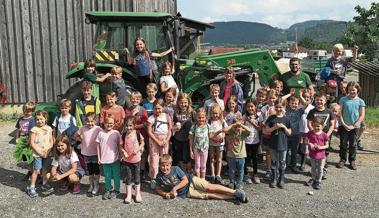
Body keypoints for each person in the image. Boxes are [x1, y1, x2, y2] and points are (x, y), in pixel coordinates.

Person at [155, 154, 248, 203]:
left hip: (192, 181)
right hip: (187, 193)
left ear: (170, 164)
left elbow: (185, 180)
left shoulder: (175, 168)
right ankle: (234, 197)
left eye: (167, 165)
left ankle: (235, 192)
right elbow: (158, 189)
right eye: (162, 166)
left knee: (209, 187)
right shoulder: (159, 176)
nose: (165, 168)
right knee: (209, 195)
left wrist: (174, 188)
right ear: (159, 166)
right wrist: (165, 194)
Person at [337, 81, 365, 170]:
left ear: (357, 90)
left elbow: (362, 115)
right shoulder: (343, 99)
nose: (352, 92)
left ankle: (352, 160)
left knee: (353, 144)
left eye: (353, 90)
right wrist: (344, 124)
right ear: (347, 90)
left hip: (355, 127)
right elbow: (339, 113)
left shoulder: (361, 101)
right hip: (343, 126)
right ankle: (342, 159)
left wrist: (354, 125)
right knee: (343, 143)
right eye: (350, 90)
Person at [264, 99, 292, 189]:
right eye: (277, 107)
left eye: (281, 107)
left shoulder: (287, 119)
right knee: (273, 161)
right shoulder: (271, 118)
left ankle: (281, 179)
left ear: (284, 107)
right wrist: (274, 127)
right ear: (274, 107)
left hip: (283, 144)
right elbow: (266, 130)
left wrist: (284, 127)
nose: (279, 109)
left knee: (282, 162)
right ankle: (274, 178)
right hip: (273, 144)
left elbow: (289, 133)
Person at [307, 93, 335, 179]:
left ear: (325, 101)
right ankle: (315, 170)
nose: (319, 102)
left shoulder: (329, 111)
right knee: (314, 152)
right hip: (314, 137)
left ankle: (322, 169)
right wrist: (314, 133)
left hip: (325, 136)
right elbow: (309, 124)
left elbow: (332, 125)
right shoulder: (312, 111)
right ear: (314, 101)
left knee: (324, 152)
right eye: (317, 100)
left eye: (321, 100)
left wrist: (326, 135)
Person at [27, 110, 54, 197]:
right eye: (37, 119)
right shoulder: (34, 130)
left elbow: (51, 141)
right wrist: (39, 151)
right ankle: (31, 187)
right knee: (37, 171)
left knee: (45, 169)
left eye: (41, 119)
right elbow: (32, 142)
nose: (39, 121)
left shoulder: (49, 128)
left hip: (47, 153)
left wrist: (48, 151)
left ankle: (44, 183)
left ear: (46, 119)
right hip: (37, 154)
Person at [147, 99, 172, 189]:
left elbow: (170, 129)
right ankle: (154, 178)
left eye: (159, 108)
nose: (157, 110)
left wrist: (166, 140)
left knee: (164, 159)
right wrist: (157, 141)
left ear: (163, 108)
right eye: (156, 108)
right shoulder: (151, 118)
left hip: (164, 139)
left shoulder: (167, 116)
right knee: (154, 159)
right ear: (153, 108)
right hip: (154, 139)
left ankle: (165, 177)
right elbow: (149, 131)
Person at [75, 112, 102, 195]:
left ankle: (96, 185)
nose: (90, 123)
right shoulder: (83, 128)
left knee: (96, 170)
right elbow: (76, 135)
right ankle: (91, 185)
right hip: (86, 153)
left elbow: (102, 138)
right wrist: (81, 140)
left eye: (92, 121)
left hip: (95, 153)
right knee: (89, 171)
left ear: (95, 121)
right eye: (88, 121)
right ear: (85, 121)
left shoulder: (98, 129)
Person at [96, 115, 122, 200]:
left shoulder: (116, 133)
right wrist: (99, 158)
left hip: (115, 159)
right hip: (105, 160)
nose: (109, 124)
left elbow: (119, 145)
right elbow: (98, 146)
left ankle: (117, 190)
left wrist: (121, 155)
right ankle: (108, 189)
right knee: (107, 176)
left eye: (111, 123)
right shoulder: (100, 133)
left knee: (116, 176)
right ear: (104, 123)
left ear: (114, 124)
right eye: (107, 123)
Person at [124, 91, 148, 181]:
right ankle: (131, 173)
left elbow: (145, 123)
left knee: (142, 153)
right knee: (131, 152)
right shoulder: (128, 110)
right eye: (133, 99)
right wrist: (133, 114)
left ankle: (141, 172)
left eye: (137, 99)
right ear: (130, 99)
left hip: (140, 135)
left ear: (140, 100)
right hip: (130, 136)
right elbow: (126, 122)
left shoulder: (142, 110)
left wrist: (136, 126)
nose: (135, 100)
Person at [120, 116, 145, 204]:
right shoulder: (123, 135)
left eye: (130, 125)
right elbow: (120, 146)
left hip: (137, 160)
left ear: (134, 125)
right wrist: (123, 152)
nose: (128, 127)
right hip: (127, 161)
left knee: (137, 178)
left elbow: (143, 142)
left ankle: (137, 194)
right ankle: (129, 195)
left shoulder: (137, 133)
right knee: (129, 177)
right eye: (127, 125)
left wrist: (137, 149)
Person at [221, 117, 251, 190]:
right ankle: (232, 181)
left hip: (241, 155)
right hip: (231, 155)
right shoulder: (230, 131)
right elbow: (224, 130)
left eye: (239, 127)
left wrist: (241, 125)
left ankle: (239, 182)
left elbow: (249, 130)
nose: (237, 128)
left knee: (241, 170)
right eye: (235, 126)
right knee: (232, 170)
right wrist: (233, 125)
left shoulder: (243, 132)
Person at [172, 93, 195, 172]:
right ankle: (183, 173)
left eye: (185, 102)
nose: (183, 104)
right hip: (178, 138)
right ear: (178, 102)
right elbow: (172, 125)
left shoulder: (191, 112)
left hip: (188, 139)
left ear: (188, 102)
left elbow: (197, 123)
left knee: (187, 158)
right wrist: (175, 128)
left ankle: (188, 172)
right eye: (181, 102)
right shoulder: (176, 112)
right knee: (180, 157)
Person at [304, 117, 329, 190]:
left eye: (318, 126)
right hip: (312, 154)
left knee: (320, 168)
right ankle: (313, 178)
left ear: (322, 126)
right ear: (312, 125)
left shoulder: (324, 135)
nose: (316, 127)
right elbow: (305, 141)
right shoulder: (310, 133)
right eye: (314, 126)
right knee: (313, 168)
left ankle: (319, 181)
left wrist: (321, 147)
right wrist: (310, 144)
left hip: (321, 155)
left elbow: (327, 145)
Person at [189, 108, 214, 179]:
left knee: (203, 165)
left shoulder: (208, 126)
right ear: (196, 117)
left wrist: (220, 133)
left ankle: (202, 180)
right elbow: (190, 139)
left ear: (205, 117)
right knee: (197, 165)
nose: (201, 119)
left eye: (202, 117)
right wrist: (191, 150)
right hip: (196, 148)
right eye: (199, 117)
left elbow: (211, 136)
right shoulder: (194, 127)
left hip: (205, 149)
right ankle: (198, 180)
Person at [243, 99, 262, 184]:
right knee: (246, 158)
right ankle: (246, 174)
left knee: (254, 158)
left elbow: (259, 128)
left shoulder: (258, 116)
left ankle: (255, 174)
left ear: (255, 107)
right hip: (246, 141)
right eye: (248, 107)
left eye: (252, 106)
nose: (250, 108)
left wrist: (251, 122)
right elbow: (242, 128)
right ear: (246, 108)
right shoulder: (244, 116)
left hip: (255, 140)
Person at [15, 101, 36, 181]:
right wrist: (17, 138)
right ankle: (31, 171)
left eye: (29, 111)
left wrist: (30, 141)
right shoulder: (20, 119)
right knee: (26, 158)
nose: (27, 112)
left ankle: (35, 173)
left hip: (30, 139)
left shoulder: (32, 120)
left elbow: (33, 132)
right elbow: (18, 129)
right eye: (25, 110)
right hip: (22, 140)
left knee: (32, 157)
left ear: (32, 111)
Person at [208, 104, 227, 184]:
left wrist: (222, 136)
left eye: (216, 113)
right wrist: (214, 139)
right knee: (212, 159)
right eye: (213, 113)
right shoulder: (209, 121)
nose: (215, 115)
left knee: (219, 159)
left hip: (220, 144)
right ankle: (212, 174)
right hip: (211, 143)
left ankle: (218, 175)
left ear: (220, 113)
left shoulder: (222, 121)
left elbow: (225, 130)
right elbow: (209, 133)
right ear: (210, 113)